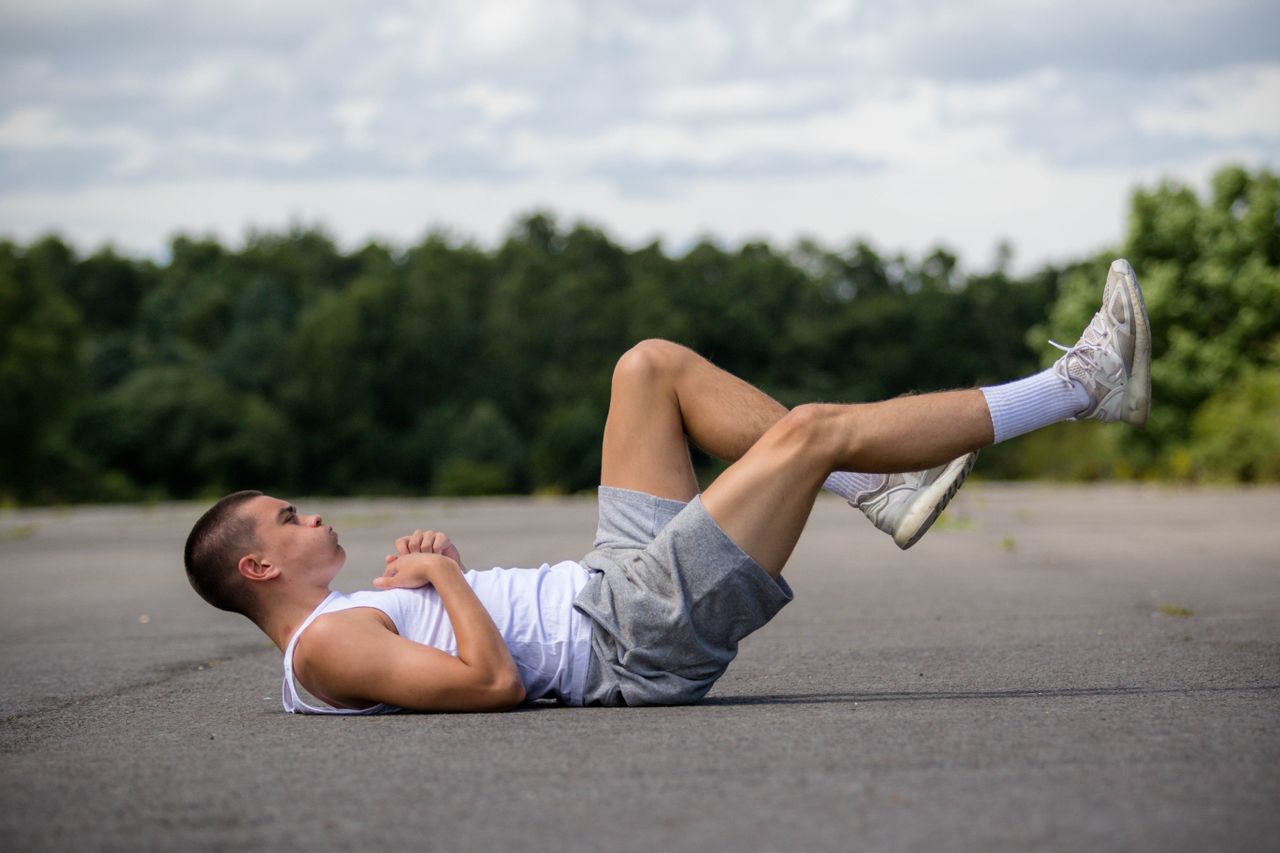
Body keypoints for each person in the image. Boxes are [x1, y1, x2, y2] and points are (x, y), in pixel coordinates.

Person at [183, 259, 1151, 713]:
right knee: (810, 428)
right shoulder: (322, 650)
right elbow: (492, 683)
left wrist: (445, 584)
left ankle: (875, 489)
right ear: (261, 564)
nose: (311, 512)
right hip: (629, 634)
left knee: (647, 365)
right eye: (288, 516)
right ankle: (1076, 388)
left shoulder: (342, 619)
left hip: (610, 580)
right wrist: (445, 579)